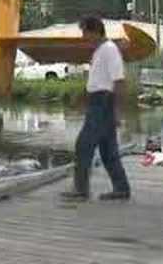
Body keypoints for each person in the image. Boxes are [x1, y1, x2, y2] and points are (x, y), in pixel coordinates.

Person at [61, 16, 131, 202]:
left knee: (83, 145)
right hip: (96, 100)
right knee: (108, 150)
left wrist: (117, 111)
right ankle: (121, 188)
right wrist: (81, 99)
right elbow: (96, 81)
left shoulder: (109, 50)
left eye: (85, 32)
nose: (84, 37)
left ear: (95, 31)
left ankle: (81, 189)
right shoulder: (99, 51)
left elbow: (118, 81)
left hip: (103, 103)